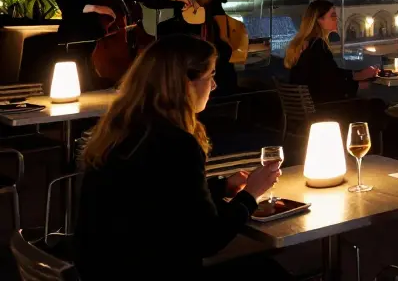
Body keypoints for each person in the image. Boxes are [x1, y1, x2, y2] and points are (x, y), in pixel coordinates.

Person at [76, 36, 285, 280]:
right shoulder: (176, 144)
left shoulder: (122, 129)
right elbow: (208, 239)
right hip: (153, 269)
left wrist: (221, 186)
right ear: (185, 82)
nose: (214, 85)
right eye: (210, 76)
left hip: (103, 268)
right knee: (268, 272)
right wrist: (251, 194)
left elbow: (159, 197)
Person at [283, 0, 388, 143]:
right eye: (332, 16)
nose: (336, 19)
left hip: (310, 108)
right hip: (324, 109)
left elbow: (327, 74)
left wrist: (356, 75)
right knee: (377, 106)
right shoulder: (318, 46)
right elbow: (329, 84)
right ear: (319, 20)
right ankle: (368, 151)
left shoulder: (304, 45)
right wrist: (357, 84)